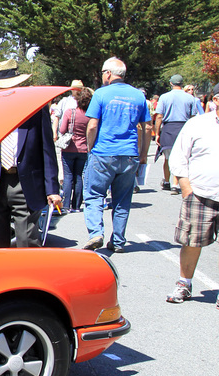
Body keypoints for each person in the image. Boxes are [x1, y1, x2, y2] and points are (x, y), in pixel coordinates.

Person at [0, 59, 61, 248]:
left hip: (26, 185)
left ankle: (27, 277)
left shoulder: (36, 110)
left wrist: (52, 189)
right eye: (0, 88)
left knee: (28, 243)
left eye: (10, 86)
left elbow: (47, 151)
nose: (5, 91)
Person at [81, 57, 151, 252]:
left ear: (109, 74)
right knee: (122, 199)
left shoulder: (102, 94)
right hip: (129, 155)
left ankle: (96, 232)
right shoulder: (138, 96)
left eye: (103, 72)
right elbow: (147, 127)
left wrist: (90, 147)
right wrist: (143, 154)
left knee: (94, 195)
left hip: (103, 152)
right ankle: (118, 240)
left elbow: (92, 125)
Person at [165, 84, 219, 303]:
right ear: (216, 100)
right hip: (200, 194)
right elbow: (178, 157)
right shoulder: (197, 124)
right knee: (191, 242)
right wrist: (186, 189)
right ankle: (184, 284)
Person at [154, 74, 202, 194]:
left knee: (167, 157)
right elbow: (192, 116)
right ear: (181, 83)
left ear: (171, 83)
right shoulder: (190, 98)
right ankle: (175, 184)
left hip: (169, 128)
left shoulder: (164, 97)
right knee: (182, 157)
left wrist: (158, 132)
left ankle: (166, 181)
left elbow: (159, 116)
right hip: (184, 127)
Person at [58, 87, 93, 213]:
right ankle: (77, 205)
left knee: (68, 176)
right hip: (84, 149)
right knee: (79, 176)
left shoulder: (70, 112)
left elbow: (62, 130)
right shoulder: (90, 115)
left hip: (69, 148)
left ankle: (66, 205)